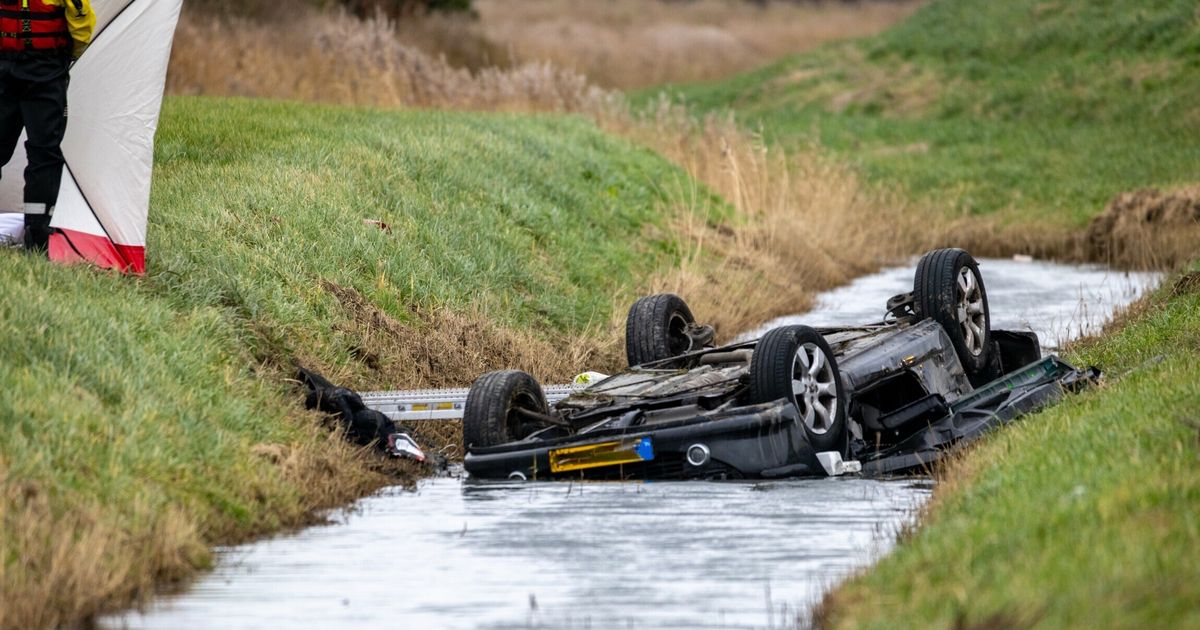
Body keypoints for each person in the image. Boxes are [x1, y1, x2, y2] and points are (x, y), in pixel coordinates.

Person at [0, 0, 93, 252]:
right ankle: (38, 237)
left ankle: (39, 234)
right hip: (46, 71)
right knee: (44, 153)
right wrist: (69, 56)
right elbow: (82, 23)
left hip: (9, 68)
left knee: (34, 152)